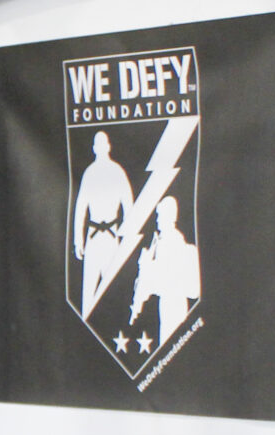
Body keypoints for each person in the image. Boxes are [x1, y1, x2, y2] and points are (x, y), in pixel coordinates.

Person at [69, 132, 137, 320]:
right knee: (89, 291)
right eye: (96, 145)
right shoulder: (89, 174)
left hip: (112, 236)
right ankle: (86, 326)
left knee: (113, 289)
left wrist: (127, 237)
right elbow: (80, 209)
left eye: (102, 145)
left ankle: (117, 325)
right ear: (94, 149)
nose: (100, 148)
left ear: (107, 147)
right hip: (93, 237)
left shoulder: (117, 172)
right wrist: (78, 240)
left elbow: (128, 205)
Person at [130, 196, 201, 341]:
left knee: (172, 340)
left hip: (174, 300)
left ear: (169, 216)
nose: (157, 220)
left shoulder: (172, 240)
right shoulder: (161, 240)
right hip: (168, 301)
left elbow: (167, 276)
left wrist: (147, 267)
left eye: (160, 216)